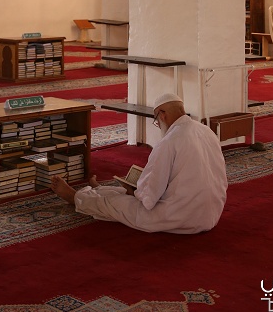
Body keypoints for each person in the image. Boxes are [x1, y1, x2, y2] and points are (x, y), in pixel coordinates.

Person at [51, 93, 228, 234]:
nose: (158, 125)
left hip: (181, 216)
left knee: (116, 203)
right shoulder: (206, 131)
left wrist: (135, 191)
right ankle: (98, 190)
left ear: (163, 115)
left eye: (156, 121)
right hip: (210, 214)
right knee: (124, 192)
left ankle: (75, 198)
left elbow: (149, 199)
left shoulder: (169, 141)